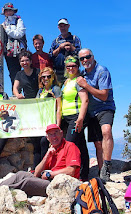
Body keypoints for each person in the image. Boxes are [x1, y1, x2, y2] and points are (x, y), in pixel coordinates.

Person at [0, 124, 81, 209]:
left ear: (61, 133)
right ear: (47, 137)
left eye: (56, 133)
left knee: (27, 182)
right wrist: (47, 155)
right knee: (20, 174)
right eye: (51, 134)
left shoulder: (70, 146)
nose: (54, 136)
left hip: (60, 185)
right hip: (49, 181)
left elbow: (71, 170)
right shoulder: (51, 151)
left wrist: (50, 173)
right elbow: (37, 173)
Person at [76, 48, 116, 182]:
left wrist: (85, 85)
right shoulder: (82, 75)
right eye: (82, 59)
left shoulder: (102, 71)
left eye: (87, 57)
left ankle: (107, 166)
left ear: (92, 56)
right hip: (91, 112)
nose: (85, 60)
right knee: (98, 144)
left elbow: (104, 96)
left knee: (106, 131)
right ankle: (101, 172)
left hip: (105, 108)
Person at [62, 55, 89, 181]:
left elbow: (85, 100)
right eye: (68, 66)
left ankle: (74, 173)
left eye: (73, 66)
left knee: (70, 144)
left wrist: (80, 118)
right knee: (80, 144)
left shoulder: (79, 80)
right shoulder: (66, 82)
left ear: (78, 67)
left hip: (75, 116)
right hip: (65, 117)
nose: (71, 68)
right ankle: (83, 174)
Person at [35, 67, 62, 168]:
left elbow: (59, 108)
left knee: (45, 142)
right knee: (38, 144)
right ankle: (37, 169)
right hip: (41, 123)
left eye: (48, 76)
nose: (46, 79)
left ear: (52, 77)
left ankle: (46, 168)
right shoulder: (40, 91)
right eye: (43, 77)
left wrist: (57, 126)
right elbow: (35, 105)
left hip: (52, 122)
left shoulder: (56, 89)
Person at [1, 3, 27, 88]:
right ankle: (14, 90)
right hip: (8, 51)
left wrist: (7, 29)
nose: (8, 12)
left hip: (20, 49)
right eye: (6, 10)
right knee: (12, 71)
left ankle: (19, 90)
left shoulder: (19, 21)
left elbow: (19, 34)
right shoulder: (4, 23)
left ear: (13, 11)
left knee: (20, 70)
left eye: (10, 10)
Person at [49, 18, 81, 84]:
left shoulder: (75, 39)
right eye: (61, 26)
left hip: (72, 71)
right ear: (58, 27)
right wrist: (59, 48)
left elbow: (80, 54)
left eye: (65, 26)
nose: (63, 28)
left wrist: (70, 46)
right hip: (58, 72)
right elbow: (50, 55)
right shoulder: (56, 41)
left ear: (68, 26)